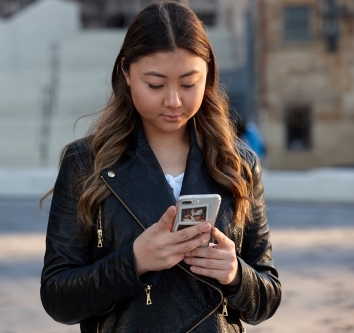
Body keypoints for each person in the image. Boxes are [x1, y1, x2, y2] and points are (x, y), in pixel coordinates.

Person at [40, 2, 281, 332]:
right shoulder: (85, 164)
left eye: (188, 83)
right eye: (155, 84)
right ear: (125, 72)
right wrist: (135, 260)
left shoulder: (239, 164)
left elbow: (268, 297)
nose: (173, 101)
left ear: (208, 73)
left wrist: (236, 273)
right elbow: (57, 298)